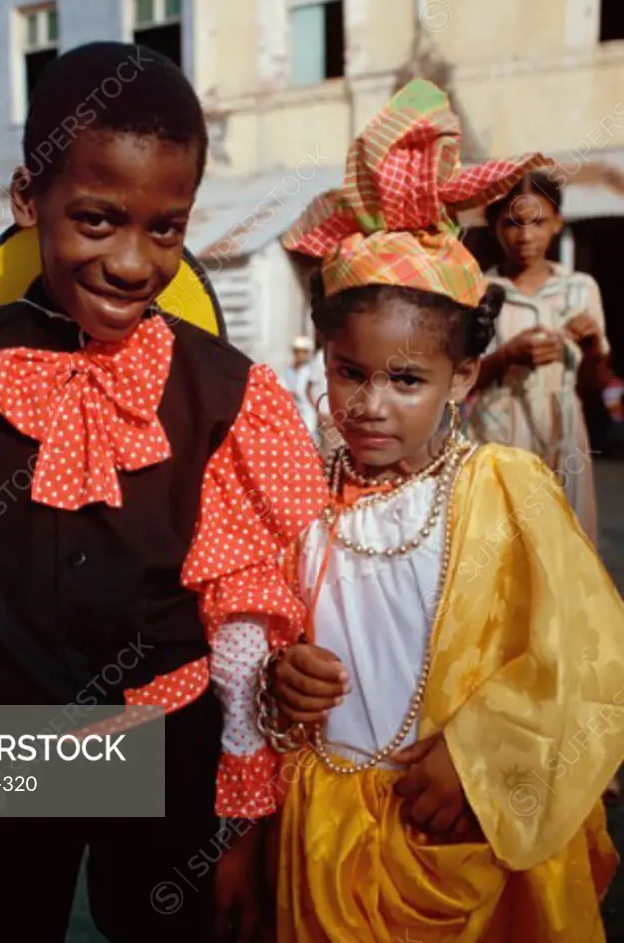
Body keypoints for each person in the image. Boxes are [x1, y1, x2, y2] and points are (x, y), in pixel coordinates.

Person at [0, 43, 329, 943]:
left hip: (168, 738)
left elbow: (242, 606)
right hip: (8, 746)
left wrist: (242, 813)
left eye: (164, 228)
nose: (133, 263)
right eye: (96, 220)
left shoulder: (226, 395)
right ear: (29, 199)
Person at [258, 79, 624, 941]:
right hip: (322, 843)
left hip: (458, 838)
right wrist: (277, 676)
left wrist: (482, 756)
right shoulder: (300, 500)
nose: (370, 404)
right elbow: (259, 640)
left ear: (461, 378)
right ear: (326, 364)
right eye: (350, 373)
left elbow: (592, 655)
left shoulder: (503, 488)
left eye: (406, 379)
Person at [468, 171, 611, 543]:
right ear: (494, 226)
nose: (526, 236)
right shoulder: (478, 291)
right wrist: (506, 356)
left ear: (557, 224)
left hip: (561, 434)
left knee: (564, 549)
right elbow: (458, 378)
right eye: (513, 224)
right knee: (505, 549)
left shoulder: (579, 290)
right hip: (497, 436)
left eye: (538, 222)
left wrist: (594, 348)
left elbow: (594, 386)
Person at [281, 335, 315, 434]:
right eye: (297, 351)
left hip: (308, 411)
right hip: (292, 410)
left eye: (302, 352)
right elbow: (283, 388)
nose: (299, 355)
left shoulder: (310, 370)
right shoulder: (288, 370)